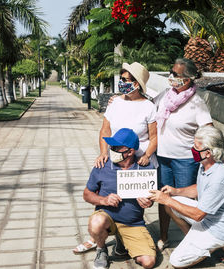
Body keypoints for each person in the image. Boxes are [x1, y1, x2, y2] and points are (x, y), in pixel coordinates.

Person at [73, 62, 157, 254]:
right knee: (107, 192)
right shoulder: (116, 102)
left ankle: (126, 234)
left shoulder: (148, 107)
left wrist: (147, 156)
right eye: (122, 79)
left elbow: (154, 137)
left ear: (137, 83)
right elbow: (105, 130)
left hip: (137, 160)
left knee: (134, 200)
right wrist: (104, 153)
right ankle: (98, 237)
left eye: (126, 80)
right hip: (115, 156)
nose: (122, 83)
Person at [149, 125, 224, 268]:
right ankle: (196, 241)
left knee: (176, 261)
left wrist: (166, 199)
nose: (193, 149)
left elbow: (198, 215)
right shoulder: (204, 164)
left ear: (209, 152)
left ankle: (216, 246)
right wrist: (175, 191)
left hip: (218, 229)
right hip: (207, 218)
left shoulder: (219, 177)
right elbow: (200, 188)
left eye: (196, 147)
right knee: (170, 205)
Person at [153, 58, 213, 250]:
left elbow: (208, 130)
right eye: (171, 72)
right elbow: (147, 109)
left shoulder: (196, 103)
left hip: (185, 160)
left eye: (176, 74)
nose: (171, 77)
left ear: (187, 79)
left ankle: (193, 240)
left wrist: (216, 156)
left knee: (184, 203)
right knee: (163, 199)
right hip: (162, 157)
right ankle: (164, 236)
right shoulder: (164, 96)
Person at [83, 128, 156, 269]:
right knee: (96, 222)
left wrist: (148, 202)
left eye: (116, 147)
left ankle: (122, 242)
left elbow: (152, 198)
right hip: (107, 218)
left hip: (133, 223)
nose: (112, 149)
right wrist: (103, 200)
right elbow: (87, 194)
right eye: (112, 146)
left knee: (149, 263)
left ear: (130, 152)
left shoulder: (145, 169)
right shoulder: (102, 164)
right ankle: (101, 249)